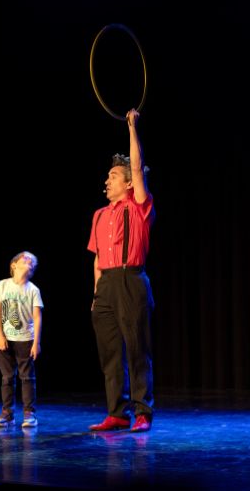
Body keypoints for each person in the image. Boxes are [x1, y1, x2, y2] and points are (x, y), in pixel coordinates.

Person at [87, 108, 155, 432]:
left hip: (131, 279)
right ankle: (117, 412)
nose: (107, 180)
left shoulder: (139, 206)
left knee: (137, 349)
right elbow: (97, 259)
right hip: (106, 286)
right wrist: (96, 294)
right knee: (110, 352)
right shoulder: (99, 215)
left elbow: (137, 168)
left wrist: (132, 128)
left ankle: (142, 412)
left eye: (113, 176)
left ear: (128, 183)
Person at [0, 251, 44, 429]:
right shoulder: (3, 285)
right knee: (7, 378)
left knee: (27, 378)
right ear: (14, 265)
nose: (29, 261)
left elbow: (37, 317)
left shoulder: (33, 290)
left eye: (32, 261)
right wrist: (0, 336)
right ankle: (7, 413)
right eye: (25, 259)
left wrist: (36, 342)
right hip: (6, 339)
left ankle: (29, 413)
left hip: (26, 340)